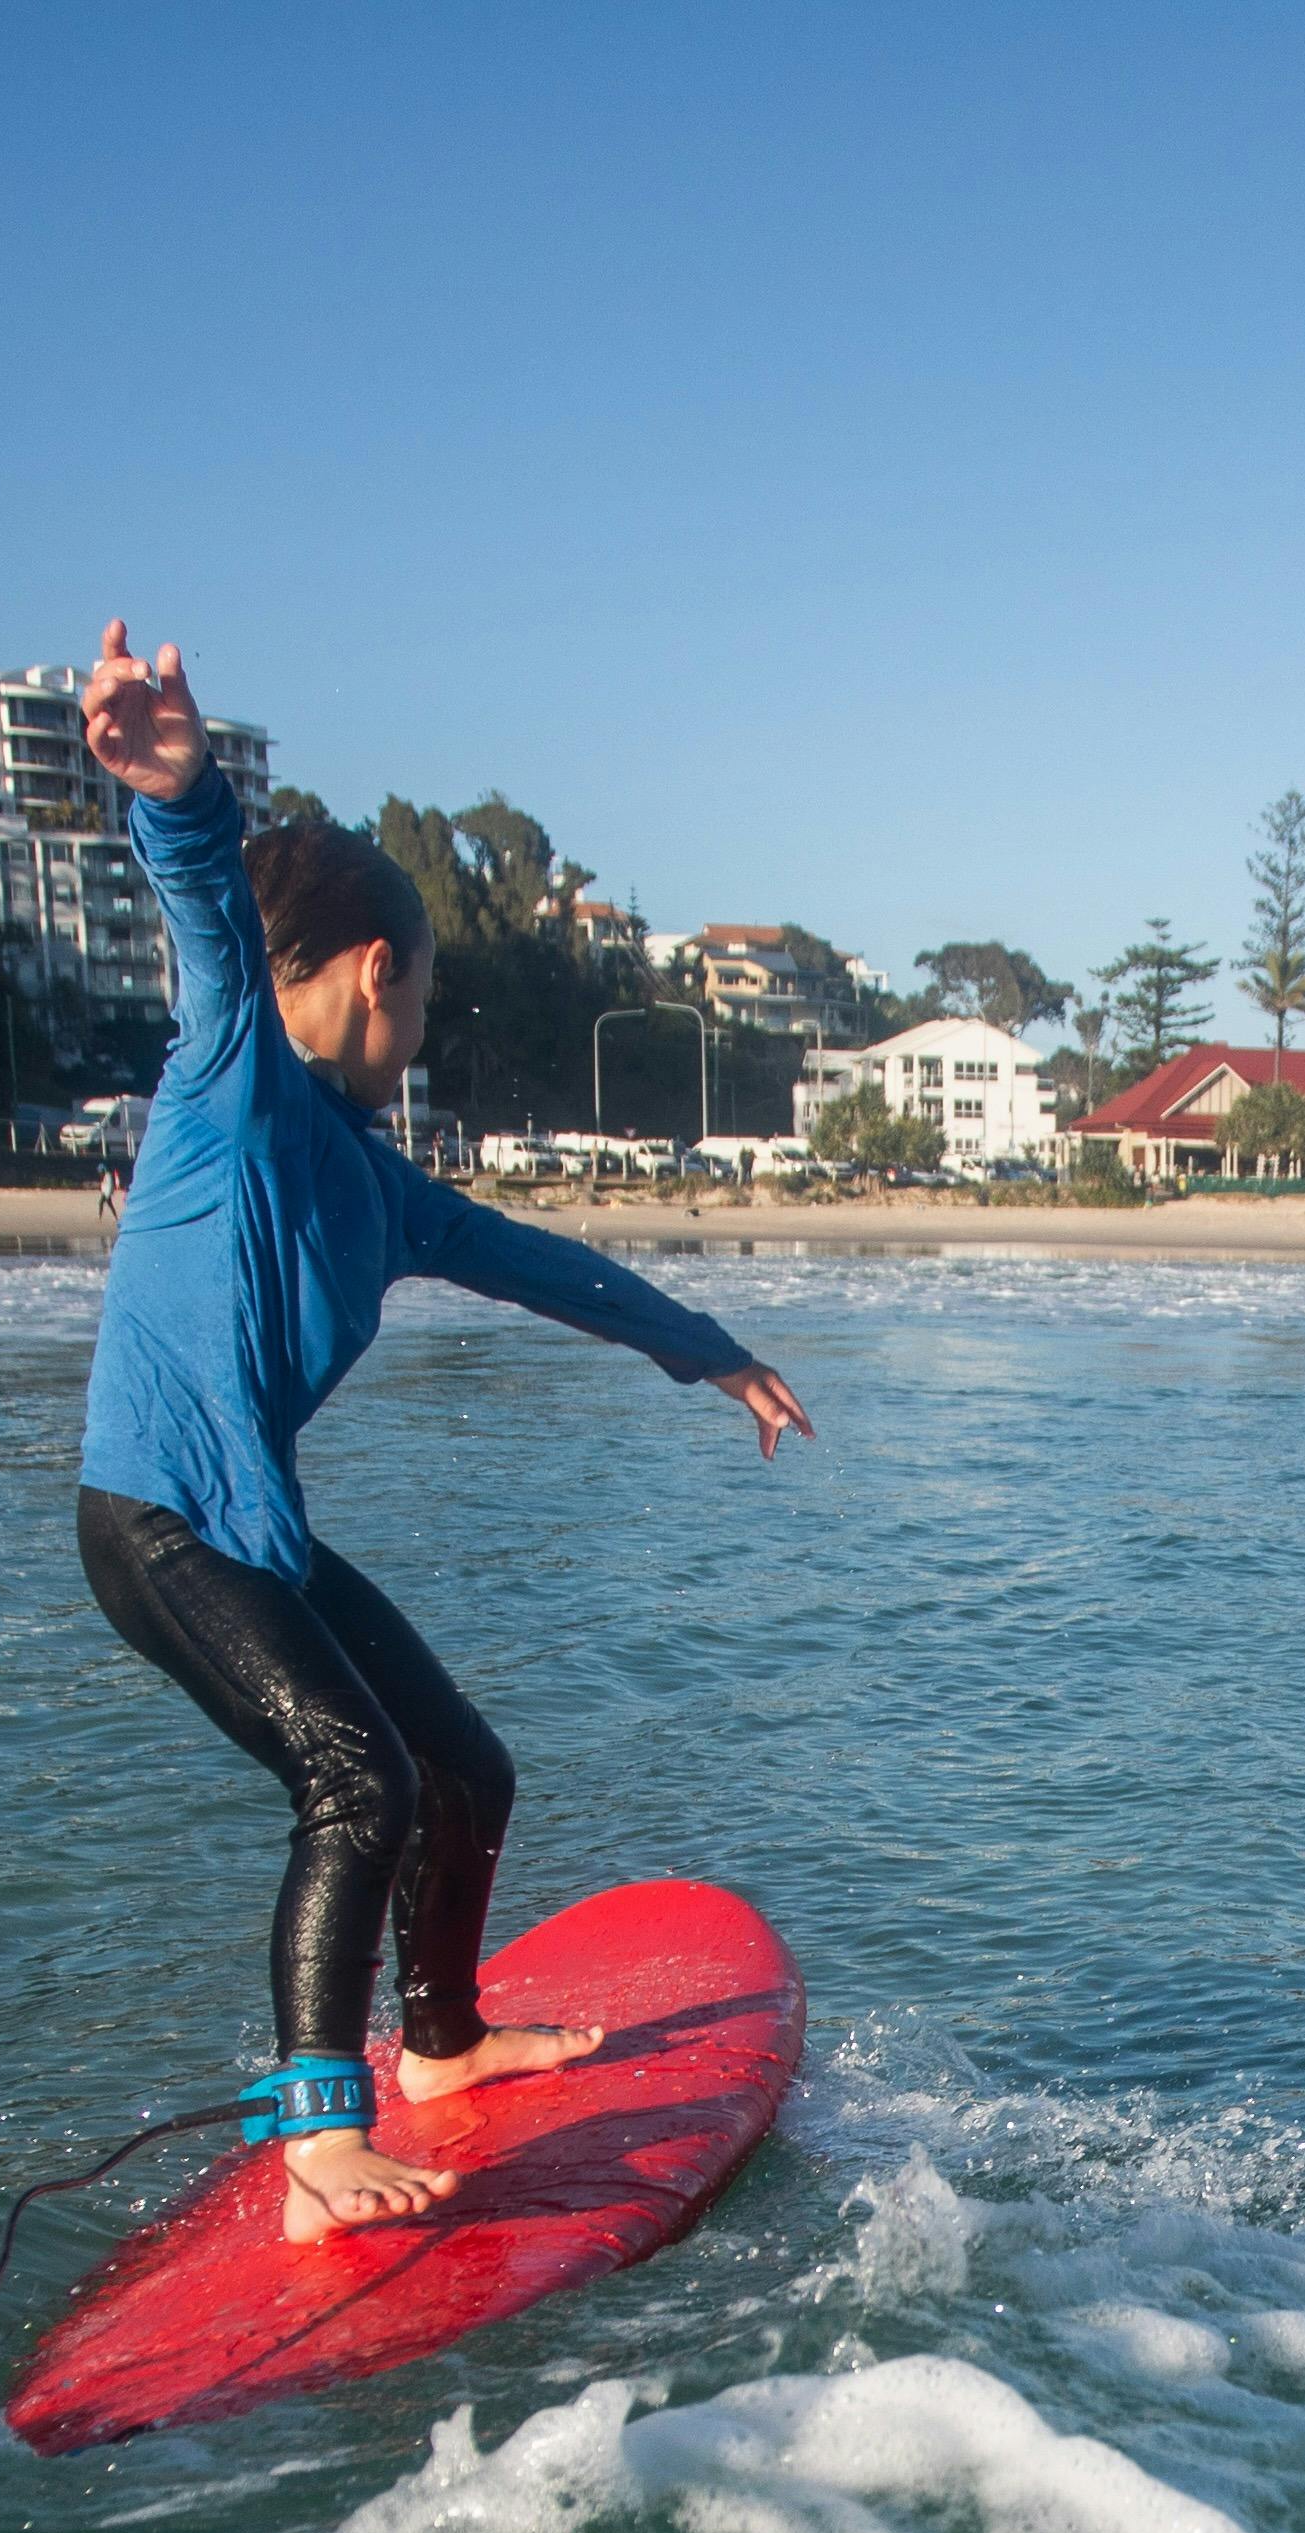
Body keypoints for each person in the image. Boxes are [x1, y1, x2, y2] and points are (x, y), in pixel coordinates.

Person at [69, 619, 815, 2242]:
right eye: (421, 997)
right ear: (371, 974)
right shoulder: (232, 1080)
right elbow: (208, 919)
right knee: (359, 1781)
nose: (420, 1030)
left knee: (462, 1770)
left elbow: (542, 1263)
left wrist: (706, 1350)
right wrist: (180, 789)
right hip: (156, 1523)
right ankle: (316, 2145)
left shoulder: (374, 1183)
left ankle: (447, 2045)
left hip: (245, 1527)